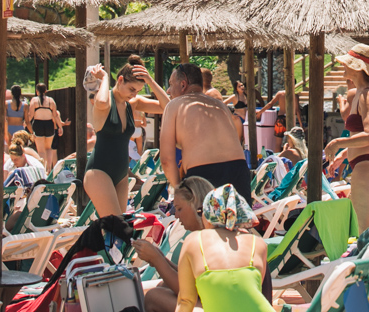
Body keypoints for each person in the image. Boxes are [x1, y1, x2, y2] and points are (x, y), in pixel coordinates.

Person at [83, 56, 170, 215]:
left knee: (117, 228)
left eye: (137, 91)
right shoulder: (105, 100)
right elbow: (101, 102)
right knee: (115, 225)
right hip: (99, 172)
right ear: (120, 80)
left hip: (121, 174)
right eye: (131, 89)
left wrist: (150, 81)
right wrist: (105, 78)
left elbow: (167, 106)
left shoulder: (132, 103)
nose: (134, 94)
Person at [161, 62, 253, 200]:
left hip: (203, 175)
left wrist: (179, 190)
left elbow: (166, 160)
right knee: (238, 221)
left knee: (203, 222)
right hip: (238, 170)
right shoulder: (221, 106)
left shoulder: (174, 106)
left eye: (171, 84)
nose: (168, 91)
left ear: (183, 84)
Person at [176, 184, 272, 312]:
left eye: (202, 212)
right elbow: (245, 297)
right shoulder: (258, 243)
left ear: (210, 214)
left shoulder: (193, 241)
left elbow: (185, 300)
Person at [325, 44, 369, 229]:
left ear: (358, 67)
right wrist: (345, 153)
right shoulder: (367, 92)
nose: (343, 66)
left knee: (364, 232)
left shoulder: (366, 94)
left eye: (347, 63)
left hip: (368, 167)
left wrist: (337, 142)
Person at [135, 176, 216, 312]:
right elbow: (193, 278)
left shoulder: (206, 239)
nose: (176, 216)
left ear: (196, 206)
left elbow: (188, 291)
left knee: (153, 297)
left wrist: (156, 259)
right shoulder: (213, 234)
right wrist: (159, 258)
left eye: (179, 209)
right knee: (163, 284)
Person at [27, 82, 65, 170]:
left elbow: (31, 115)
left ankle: (42, 169)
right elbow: (55, 115)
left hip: (38, 125)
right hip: (49, 125)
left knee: (40, 150)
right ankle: (49, 169)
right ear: (45, 91)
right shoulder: (51, 101)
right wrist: (60, 127)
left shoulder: (34, 100)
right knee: (48, 148)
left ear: (37, 91)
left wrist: (25, 123)